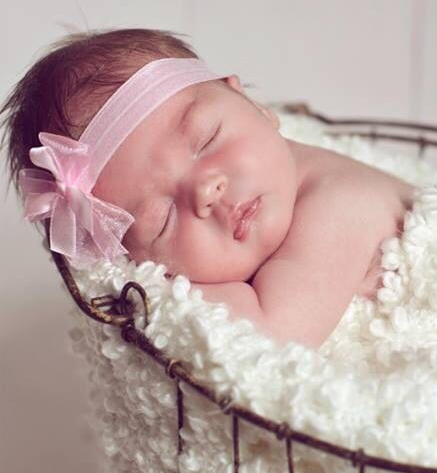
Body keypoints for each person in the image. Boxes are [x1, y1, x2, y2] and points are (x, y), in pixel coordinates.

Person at [0, 28, 415, 349]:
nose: (206, 191)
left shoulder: (338, 204)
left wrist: (155, 295)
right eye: (162, 219)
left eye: (207, 139)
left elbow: (274, 335)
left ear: (253, 106)